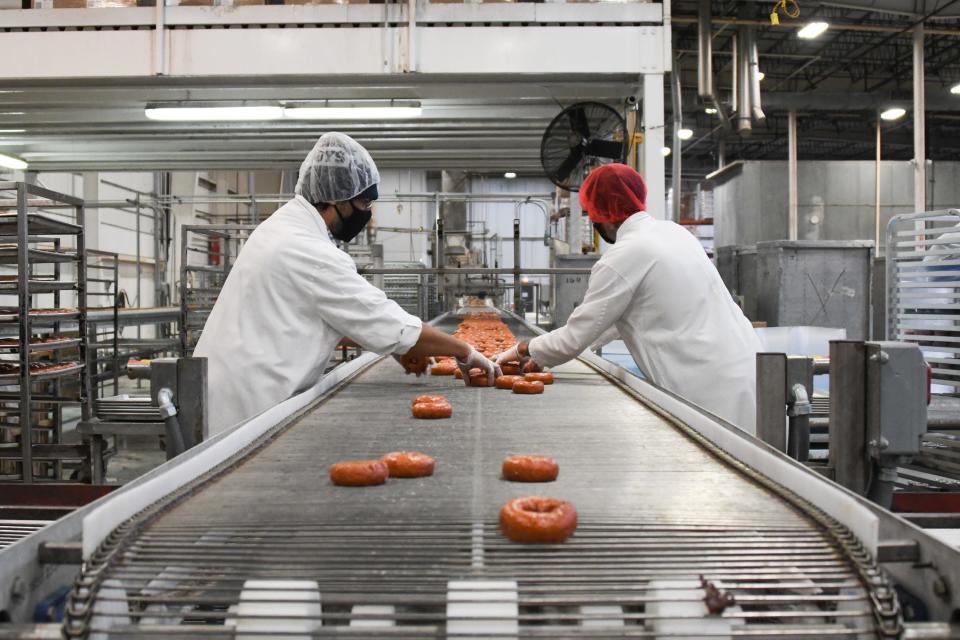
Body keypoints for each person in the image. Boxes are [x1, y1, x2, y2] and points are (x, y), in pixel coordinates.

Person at [194, 132, 498, 435]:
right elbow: (391, 324)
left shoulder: (280, 229)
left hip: (227, 395)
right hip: (247, 409)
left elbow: (301, 320)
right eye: (364, 202)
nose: (367, 213)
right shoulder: (309, 251)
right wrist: (465, 351)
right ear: (336, 199)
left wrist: (396, 347)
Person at [494, 163, 762, 434]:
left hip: (707, 389)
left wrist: (524, 349)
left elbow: (576, 335)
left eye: (592, 214)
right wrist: (543, 355)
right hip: (751, 372)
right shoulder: (674, 232)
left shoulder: (623, 256)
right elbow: (611, 320)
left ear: (604, 215)